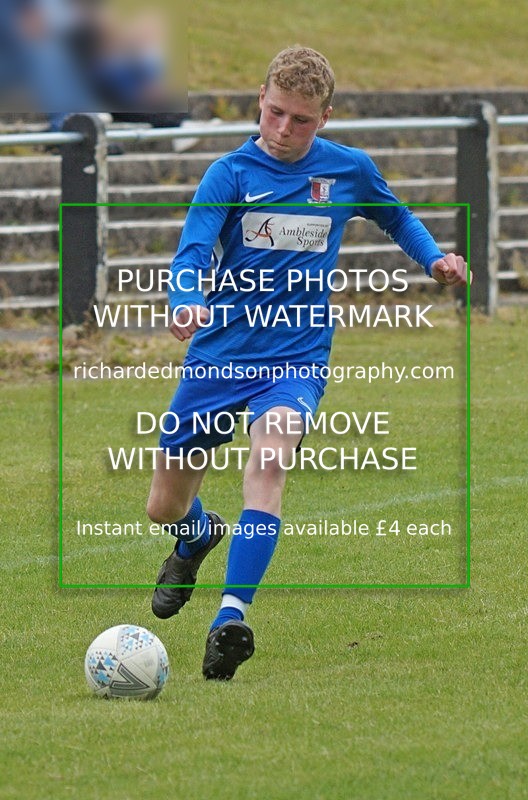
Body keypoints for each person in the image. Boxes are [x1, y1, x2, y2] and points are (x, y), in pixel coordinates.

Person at [146, 45, 471, 681]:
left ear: (324, 116)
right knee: (163, 505)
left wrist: (433, 258)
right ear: (258, 102)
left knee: (267, 466)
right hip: (220, 355)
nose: (283, 131)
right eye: (274, 113)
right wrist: (186, 298)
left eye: (300, 119)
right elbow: (191, 253)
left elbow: (395, 216)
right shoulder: (229, 173)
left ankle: (230, 619)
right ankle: (196, 536)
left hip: (296, 356)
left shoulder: (347, 170)